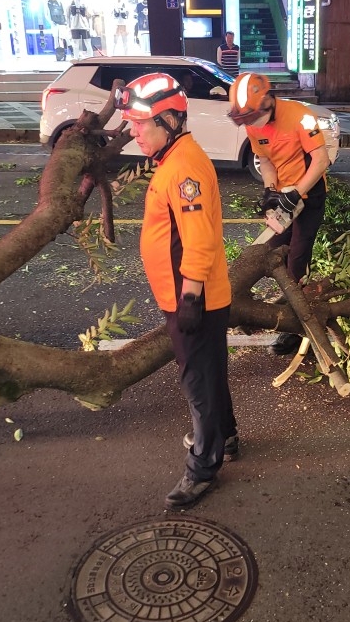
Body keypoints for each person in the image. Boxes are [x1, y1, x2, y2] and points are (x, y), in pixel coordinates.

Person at [117, 72, 237, 510]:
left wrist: (189, 299)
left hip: (192, 299)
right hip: (191, 295)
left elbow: (199, 237)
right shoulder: (176, 158)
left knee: (198, 381)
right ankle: (227, 439)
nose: (133, 132)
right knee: (210, 371)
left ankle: (202, 467)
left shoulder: (184, 167)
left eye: (139, 124)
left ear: (168, 121)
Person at [227, 72, 331, 356]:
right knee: (270, 252)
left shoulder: (302, 116)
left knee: (297, 257)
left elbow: (321, 160)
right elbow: (265, 160)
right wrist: (271, 191)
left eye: (251, 117)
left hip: (309, 195)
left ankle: (294, 327)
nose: (249, 123)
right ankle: (249, 304)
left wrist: (296, 192)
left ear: (268, 101)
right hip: (284, 195)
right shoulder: (253, 125)